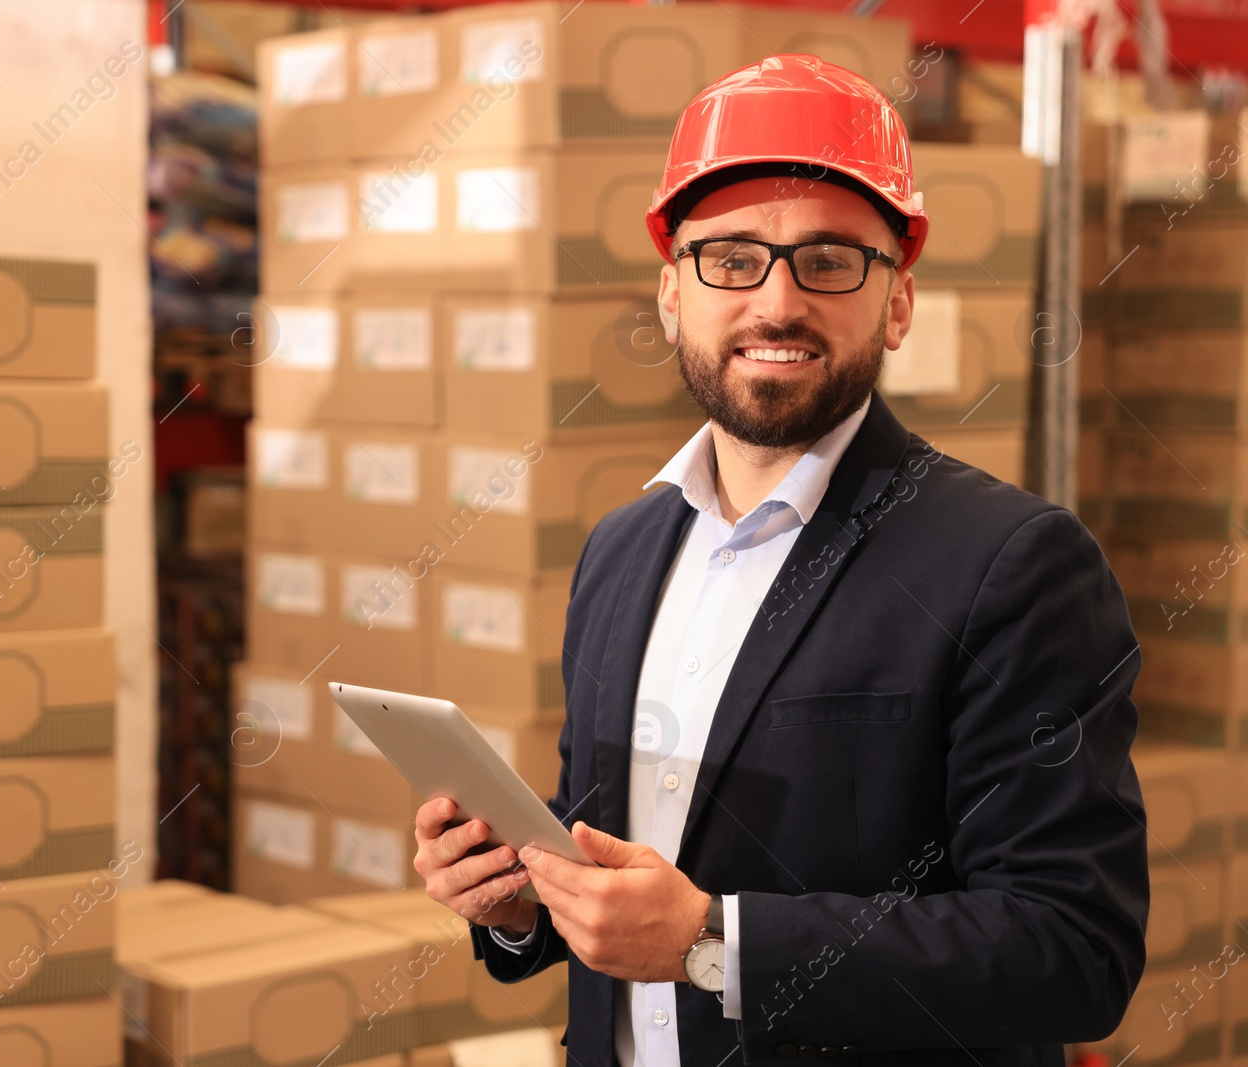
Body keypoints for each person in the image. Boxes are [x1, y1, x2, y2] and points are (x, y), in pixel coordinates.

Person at [413, 54, 1147, 1065]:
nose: (776, 300)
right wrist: (514, 901)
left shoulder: (1011, 565)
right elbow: (617, 865)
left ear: (896, 300)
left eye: (830, 259)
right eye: (730, 258)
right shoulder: (618, 553)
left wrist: (716, 943)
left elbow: (1073, 948)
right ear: (671, 291)